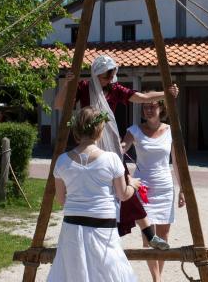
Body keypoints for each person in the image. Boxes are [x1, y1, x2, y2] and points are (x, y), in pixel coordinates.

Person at [54, 55, 178, 249]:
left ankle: (149, 235)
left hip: (109, 142)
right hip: (87, 140)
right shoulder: (84, 87)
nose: (108, 80)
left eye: (111, 75)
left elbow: (142, 98)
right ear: (96, 75)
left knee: (126, 185)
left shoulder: (115, 89)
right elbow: (60, 105)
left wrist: (166, 94)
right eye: (105, 76)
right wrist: (66, 84)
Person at [47, 107, 138, 282]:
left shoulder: (62, 160)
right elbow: (123, 194)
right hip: (103, 225)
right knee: (107, 273)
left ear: (76, 130)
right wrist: (133, 185)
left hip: (72, 226)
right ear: (100, 130)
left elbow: (61, 199)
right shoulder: (111, 159)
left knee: (74, 273)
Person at [121, 93, 185, 282]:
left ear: (161, 109)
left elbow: (178, 162)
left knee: (164, 236)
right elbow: (122, 147)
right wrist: (116, 145)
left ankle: (159, 276)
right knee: (148, 236)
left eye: (152, 106)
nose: (148, 110)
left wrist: (182, 189)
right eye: (145, 106)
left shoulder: (171, 130)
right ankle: (156, 279)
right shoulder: (134, 130)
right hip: (143, 188)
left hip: (165, 187)